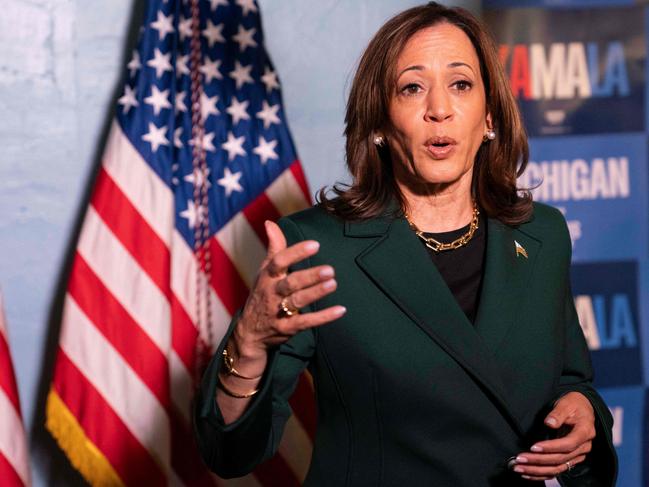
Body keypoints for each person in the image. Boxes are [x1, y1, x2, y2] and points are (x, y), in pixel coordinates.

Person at [193, 3, 617, 485]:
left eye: (461, 84)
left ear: (490, 115)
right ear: (377, 124)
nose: (440, 109)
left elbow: (568, 380)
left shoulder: (542, 234)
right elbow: (229, 451)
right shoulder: (317, 247)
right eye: (412, 87)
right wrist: (246, 348)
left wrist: (583, 413)